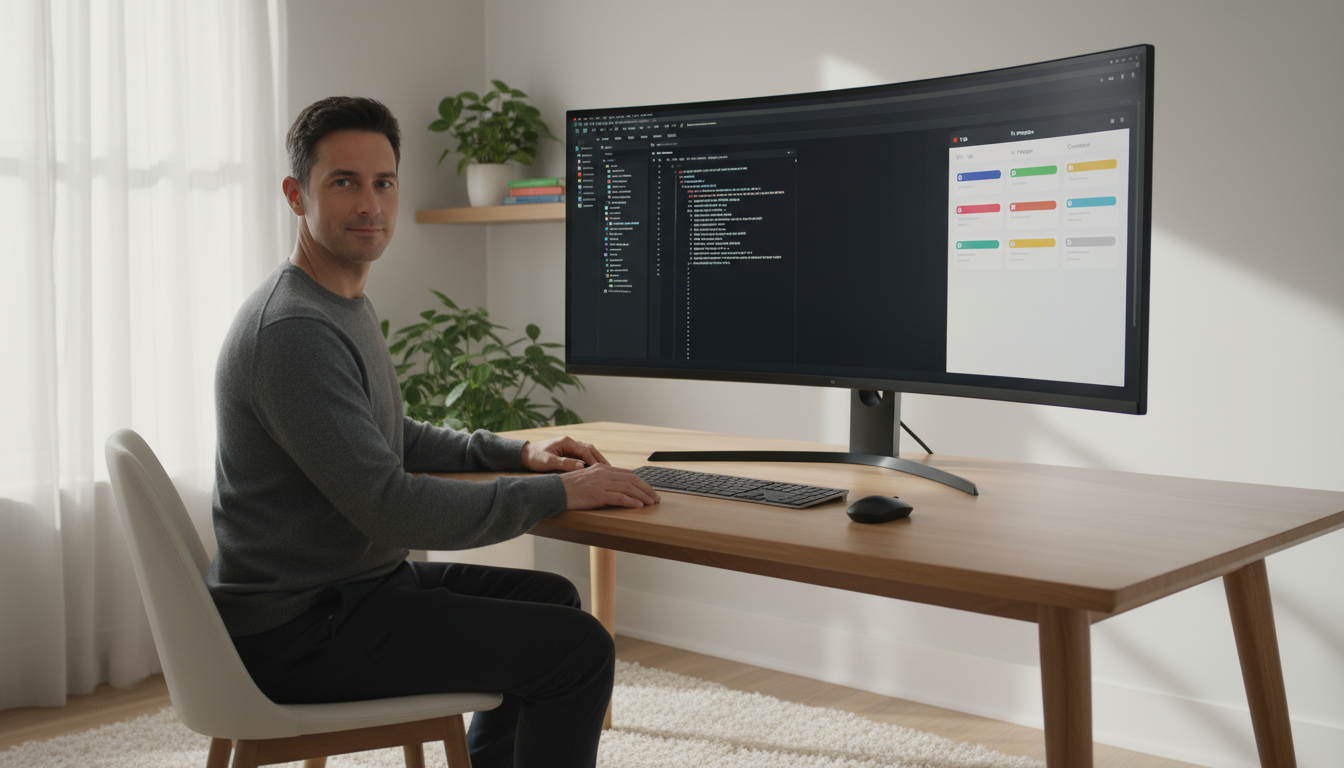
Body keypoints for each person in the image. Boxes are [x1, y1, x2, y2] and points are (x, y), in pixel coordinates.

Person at [205, 96, 660, 768]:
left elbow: (393, 435)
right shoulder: (294, 332)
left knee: (557, 600)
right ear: (296, 194)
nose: (371, 205)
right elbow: (391, 507)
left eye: (383, 182)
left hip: (345, 593)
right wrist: (563, 495)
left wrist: (523, 453)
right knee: (579, 649)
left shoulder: (333, 300)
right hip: (304, 630)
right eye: (345, 183)